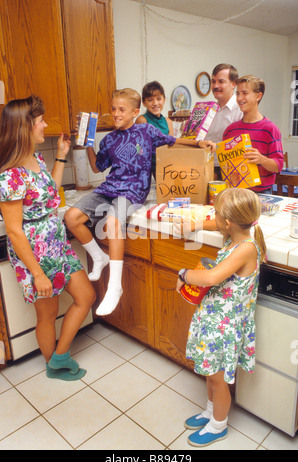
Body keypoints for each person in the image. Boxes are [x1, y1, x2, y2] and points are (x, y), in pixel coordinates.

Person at [65, 88, 215, 317]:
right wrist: (87, 144)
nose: (116, 113)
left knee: (113, 223)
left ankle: (115, 286)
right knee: (71, 217)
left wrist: (199, 143)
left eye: (122, 110)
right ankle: (98, 256)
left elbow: (173, 140)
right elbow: (97, 167)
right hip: (110, 187)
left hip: (134, 190)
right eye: (113, 109)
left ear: (135, 112)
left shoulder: (146, 131)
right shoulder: (109, 140)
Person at [0, 95, 95, 381]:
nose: (45, 125)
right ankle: (53, 363)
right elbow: (15, 231)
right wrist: (38, 274)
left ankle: (60, 356)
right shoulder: (10, 175)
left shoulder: (35, 156)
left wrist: (62, 154)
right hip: (34, 253)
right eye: (40, 121)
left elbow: (51, 191)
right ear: (25, 127)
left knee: (86, 296)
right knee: (48, 315)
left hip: (56, 242)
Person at [176, 188, 266, 447]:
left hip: (223, 328)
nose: (212, 217)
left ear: (228, 222)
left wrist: (183, 274)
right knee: (209, 372)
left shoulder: (246, 248)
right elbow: (217, 223)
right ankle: (209, 411)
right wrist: (197, 222)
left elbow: (211, 278)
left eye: (215, 213)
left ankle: (218, 425)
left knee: (217, 379)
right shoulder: (234, 236)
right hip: (214, 322)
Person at [223, 75, 284, 194]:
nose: (239, 98)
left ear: (258, 96)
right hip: (234, 192)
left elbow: (278, 166)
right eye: (238, 93)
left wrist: (261, 159)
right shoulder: (230, 130)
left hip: (261, 194)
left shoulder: (270, 129)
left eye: (245, 93)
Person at [206, 64, 243, 179]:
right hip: (208, 168)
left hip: (231, 170)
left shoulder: (241, 110)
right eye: (213, 81)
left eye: (221, 81)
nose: (216, 86)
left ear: (233, 84)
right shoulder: (208, 110)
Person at [135, 81, 173, 177]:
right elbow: (138, 146)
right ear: (144, 103)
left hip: (165, 166)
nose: (155, 103)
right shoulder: (142, 120)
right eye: (150, 100)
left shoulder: (168, 122)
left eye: (159, 99)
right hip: (145, 169)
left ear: (164, 100)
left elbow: (171, 146)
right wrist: (142, 165)